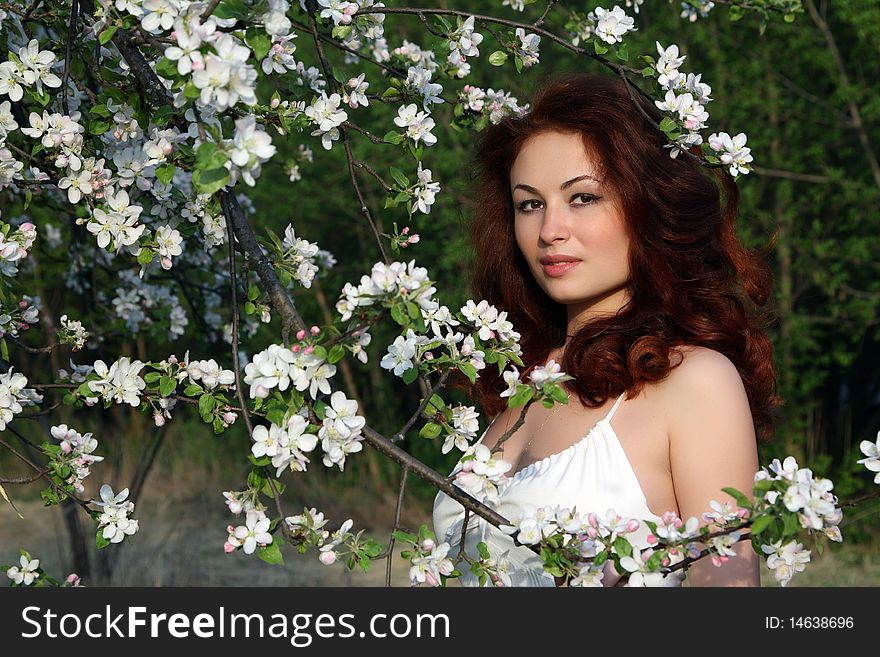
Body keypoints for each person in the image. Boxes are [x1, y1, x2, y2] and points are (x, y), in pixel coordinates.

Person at [432, 72, 777, 587]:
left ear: (647, 205)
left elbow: (726, 595)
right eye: (530, 204)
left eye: (583, 198)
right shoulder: (521, 378)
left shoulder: (694, 381)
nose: (550, 230)